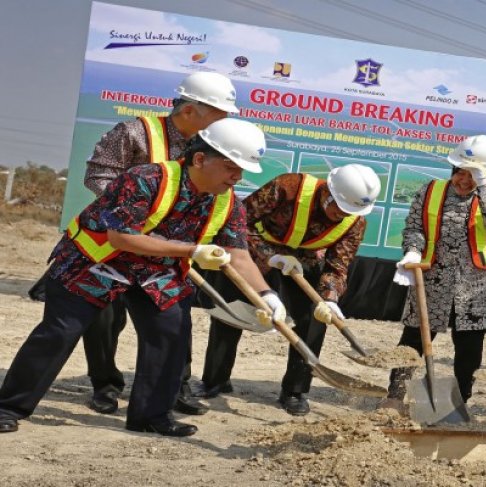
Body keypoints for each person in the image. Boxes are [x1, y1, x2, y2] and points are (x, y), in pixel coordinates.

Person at [0, 118, 286, 436]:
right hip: (94, 261)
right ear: (201, 159)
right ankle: (9, 406)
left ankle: (151, 416)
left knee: (172, 331)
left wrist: (266, 295)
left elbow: (238, 254)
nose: (238, 176)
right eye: (232, 166)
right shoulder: (145, 179)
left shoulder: (228, 201)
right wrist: (192, 251)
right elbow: (120, 238)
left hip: (155, 270)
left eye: (242, 170)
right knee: (60, 332)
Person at [81, 71, 238, 416]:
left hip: (166, 254)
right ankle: (105, 385)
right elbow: (98, 174)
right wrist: (134, 217)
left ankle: (175, 388)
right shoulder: (135, 133)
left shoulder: (210, 147)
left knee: (174, 319)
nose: (222, 123)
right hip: (114, 243)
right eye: (218, 114)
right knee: (104, 318)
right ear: (190, 110)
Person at [199, 163, 381, 416]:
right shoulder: (288, 187)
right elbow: (238, 223)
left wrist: (330, 298)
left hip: (305, 261)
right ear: (327, 192)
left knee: (313, 319)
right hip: (255, 250)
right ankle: (214, 380)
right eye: (339, 208)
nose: (342, 215)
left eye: (349, 211)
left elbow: (338, 265)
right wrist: (271, 256)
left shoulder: (355, 223)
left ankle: (295, 390)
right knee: (233, 312)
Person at [382, 135, 486, 410]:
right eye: (460, 173)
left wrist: (484, 185)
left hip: (478, 284)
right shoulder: (430, 191)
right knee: (413, 339)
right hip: (432, 279)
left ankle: (458, 402)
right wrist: (413, 251)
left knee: (468, 348)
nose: (464, 181)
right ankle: (395, 395)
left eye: (472, 175)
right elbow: (414, 226)